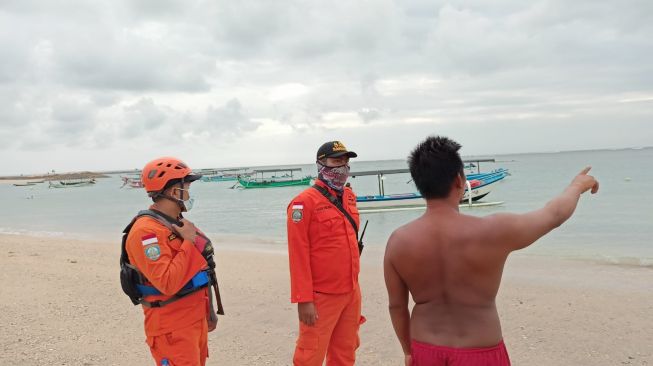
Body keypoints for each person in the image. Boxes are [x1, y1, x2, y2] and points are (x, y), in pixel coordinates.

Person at [384, 136, 599, 366]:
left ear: (420, 185)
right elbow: (554, 215)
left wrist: (408, 351)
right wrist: (577, 185)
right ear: (459, 180)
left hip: (426, 350)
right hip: (481, 352)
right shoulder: (493, 231)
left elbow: (397, 306)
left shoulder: (398, 241)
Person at [120, 157, 224, 366]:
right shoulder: (146, 232)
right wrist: (188, 241)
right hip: (172, 328)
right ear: (173, 191)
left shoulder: (175, 223)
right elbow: (167, 282)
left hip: (193, 320)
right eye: (187, 187)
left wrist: (208, 313)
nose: (189, 193)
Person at [287, 141, 365, 366]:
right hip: (321, 296)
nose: (342, 167)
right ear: (321, 164)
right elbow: (298, 254)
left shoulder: (349, 197)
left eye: (345, 161)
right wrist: (304, 300)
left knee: (346, 351)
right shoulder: (303, 204)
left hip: (351, 291)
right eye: (336, 161)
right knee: (310, 355)